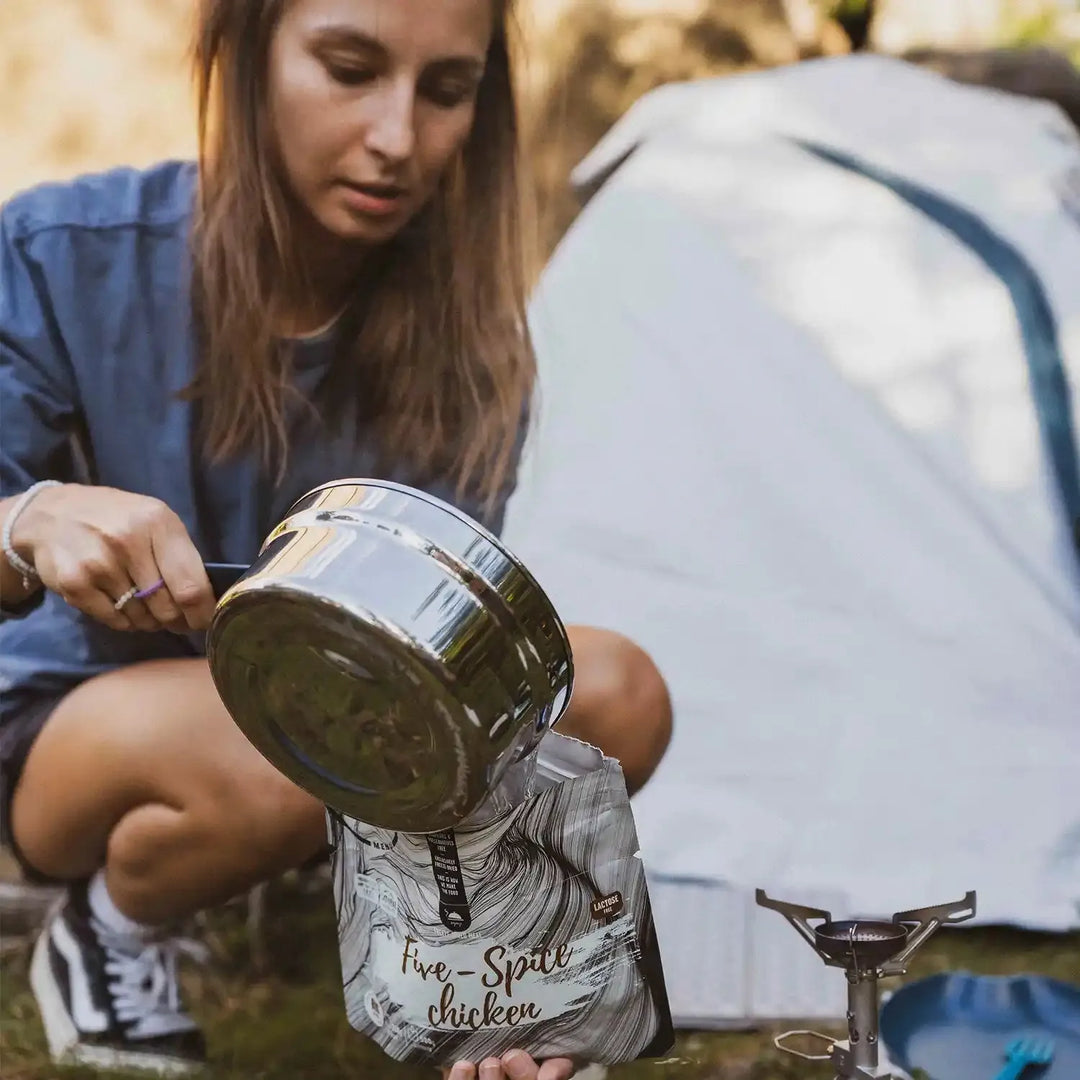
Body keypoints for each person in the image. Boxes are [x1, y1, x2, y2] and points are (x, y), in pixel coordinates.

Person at [0, 1, 673, 1077]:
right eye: (350, 68)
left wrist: (498, 989)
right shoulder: (59, 252)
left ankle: (462, 994)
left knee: (612, 690)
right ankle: (112, 927)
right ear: (246, 49)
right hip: (72, 739)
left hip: (336, 731)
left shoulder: (477, 347)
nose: (398, 138)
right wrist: (25, 519)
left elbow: (448, 694)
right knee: (301, 744)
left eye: (445, 91)